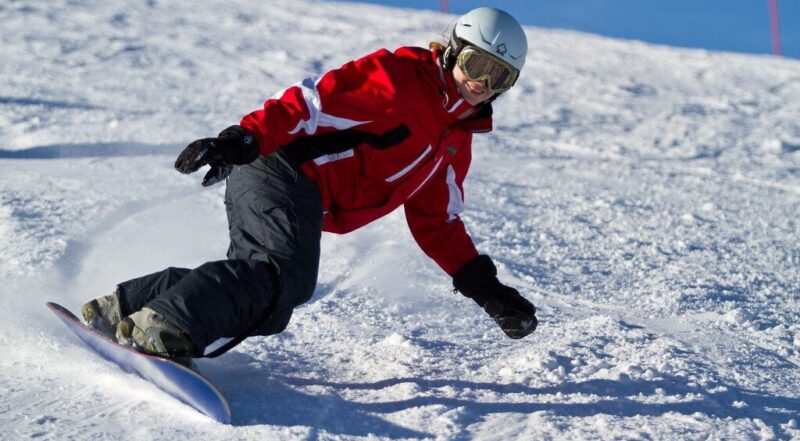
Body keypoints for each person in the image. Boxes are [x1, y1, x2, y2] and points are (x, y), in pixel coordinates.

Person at [82, 6, 538, 366]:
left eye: (499, 76)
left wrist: (487, 290)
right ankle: (163, 324)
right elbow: (310, 103)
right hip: (280, 167)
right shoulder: (399, 80)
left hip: (299, 195)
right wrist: (244, 137)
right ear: (452, 50)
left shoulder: (455, 141)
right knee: (283, 279)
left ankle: (124, 307)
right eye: (476, 62)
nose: (481, 82)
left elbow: (436, 221)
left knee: (273, 299)